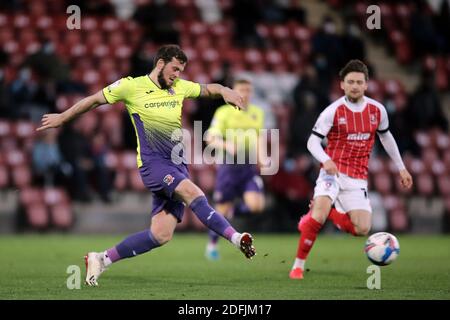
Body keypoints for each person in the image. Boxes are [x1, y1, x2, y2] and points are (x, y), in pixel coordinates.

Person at [37, 45, 256, 286]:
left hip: (178, 166)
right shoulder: (131, 86)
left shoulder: (179, 87)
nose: (177, 75)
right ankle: (237, 238)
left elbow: (208, 89)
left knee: (161, 235)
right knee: (194, 193)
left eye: (181, 70)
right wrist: (62, 118)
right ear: (160, 64)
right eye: (174, 69)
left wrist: (225, 91)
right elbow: (92, 101)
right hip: (155, 166)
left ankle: (101, 259)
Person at [289, 60, 413, 280]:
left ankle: (329, 214)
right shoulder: (333, 111)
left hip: (357, 177)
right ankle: (298, 266)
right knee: (317, 217)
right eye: (350, 82)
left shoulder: (377, 110)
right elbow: (312, 142)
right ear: (342, 85)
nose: (355, 86)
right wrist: (326, 160)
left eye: (359, 82)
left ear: (366, 85)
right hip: (332, 173)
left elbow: (386, 137)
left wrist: (401, 168)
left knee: (363, 229)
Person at [204, 78, 265, 260]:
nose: (245, 93)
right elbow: (210, 137)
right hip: (228, 168)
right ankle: (212, 245)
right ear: (233, 91)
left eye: (248, 90)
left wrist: (262, 157)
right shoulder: (224, 112)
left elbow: (258, 136)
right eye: (242, 90)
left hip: (248, 167)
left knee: (256, 206)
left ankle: (232, 212)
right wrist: (226, 144)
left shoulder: (257, 113)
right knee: (220, 210)